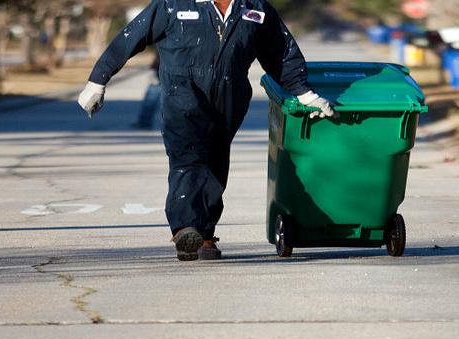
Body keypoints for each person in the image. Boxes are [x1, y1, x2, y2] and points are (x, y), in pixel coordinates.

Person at [78, 0, 335, 261]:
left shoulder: (255, 9)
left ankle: (204, 233)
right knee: (188, 155)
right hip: (182, 94)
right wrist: (98, 79)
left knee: (215, 159)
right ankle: (185, 228)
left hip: (230, 96)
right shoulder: (173, 5)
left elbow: (280, 53)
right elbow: (131, 37)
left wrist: (304, 93)